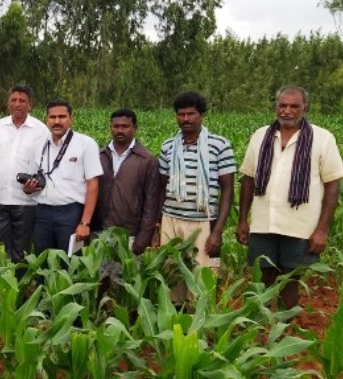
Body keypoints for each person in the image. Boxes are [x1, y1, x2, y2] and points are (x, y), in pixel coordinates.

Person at [237, 86, 343, 309]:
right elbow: (248, 179)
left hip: (299, 226)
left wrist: (322, 229)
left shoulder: (322, 139)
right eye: (282, 105)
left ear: (306, 108)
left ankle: (284, 334)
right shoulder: (260, 136)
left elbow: (332, 185)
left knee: (290, 281)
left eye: (294, 106)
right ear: (276, 107)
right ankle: (262, 331)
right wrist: (242, 220)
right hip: (263, 223)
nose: (287, 111)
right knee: (264, 278)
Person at [158, 91, 235, 303]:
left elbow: (227, 190)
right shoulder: (168, 146)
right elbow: (161, 187)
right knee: (171, 274)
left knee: (202, 280)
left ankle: (200, 328)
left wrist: (217, 232)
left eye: (191, 114)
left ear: (202, 115)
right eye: (181, 114)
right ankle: (175, 323)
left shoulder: (219, 145)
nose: (185, 119)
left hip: (203, 221)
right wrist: (158, 225)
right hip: (171, 220)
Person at [23, 99, 102, 254]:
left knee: (71, 263)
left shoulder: (86, 144)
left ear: (70, 119)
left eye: (62, 117)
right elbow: (32, 180)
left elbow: (93, 185)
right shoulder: (39, 145)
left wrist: (85, 223)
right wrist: (28, 188)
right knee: (42, 261)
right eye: (52, 117)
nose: (57, 121)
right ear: (47, 119)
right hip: (42, 213)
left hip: (71, 213)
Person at [0, 85, 49, 264]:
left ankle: (19, 290)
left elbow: (47, 167)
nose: (17, 104)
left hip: (26, 202)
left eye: (22, 101)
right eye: (13, 100)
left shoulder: (41, 131)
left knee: (22, 252)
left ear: (30, 105)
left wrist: (35, 184)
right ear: (8, 103)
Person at [93, 108, 160, 254]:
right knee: (97, 276)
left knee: (125, 276)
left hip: (128, 236)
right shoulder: (99, 156)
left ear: (135, 128)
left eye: (125, 126)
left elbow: (151, 203)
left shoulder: (147, 161)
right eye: (116, 126)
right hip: (98, 233)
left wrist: (142, 238)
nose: (120, 130)